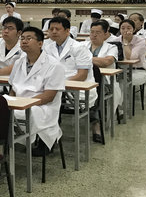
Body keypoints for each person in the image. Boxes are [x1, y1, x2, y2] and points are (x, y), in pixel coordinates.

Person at [9, 27, 66, 156]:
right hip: (18, 103)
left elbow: (48, 96)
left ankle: (25, 140)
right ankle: (4, 145)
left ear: (40, 43)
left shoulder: (54, 65)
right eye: (22, 38)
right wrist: (12, 101)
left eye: (29, 38)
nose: (24, 41)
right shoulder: (18, 62)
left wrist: (25, 104)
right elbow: (13, 88)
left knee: (30, 112)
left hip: (42, 107)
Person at [43, 16, 97, 108]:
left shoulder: (80, 48)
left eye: (57, 29)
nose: (54, 32)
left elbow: (82, 75)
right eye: (51, 29)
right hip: (55, 87)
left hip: (77, 88)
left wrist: (59, 84)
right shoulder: (47, 48)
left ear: (67, 31)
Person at [85, 20, 121, 142]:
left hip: (104, 82)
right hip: (84, 79)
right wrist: (94, 60)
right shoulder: (82, 45)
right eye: (92, 32)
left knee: (95, 92)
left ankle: (96, 124)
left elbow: (106, 62)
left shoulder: (112, 47)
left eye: (98, 32)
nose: (94, 35)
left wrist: (84, 58)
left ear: (106, 34)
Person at [116, 19, 146, 88]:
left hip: (138, 69)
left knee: (123, 81)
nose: (125, 30)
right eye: (123, 28)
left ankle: (125, 95)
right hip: (120, 69)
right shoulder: (116, 40)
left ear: (134, 30)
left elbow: (131, 57)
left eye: (128, 28)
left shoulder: (140, 41)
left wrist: (125, 42)